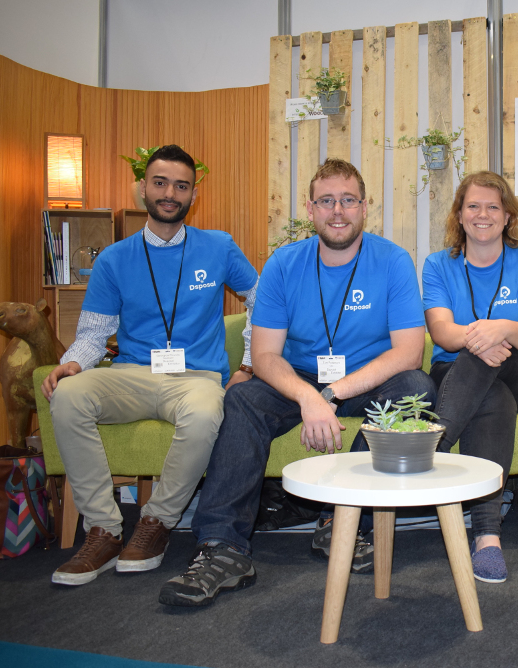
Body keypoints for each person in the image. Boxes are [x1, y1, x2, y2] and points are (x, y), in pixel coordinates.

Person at [159, 158, 435, 607]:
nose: (338, 210)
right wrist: (309, 396)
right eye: (326, 201)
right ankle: (223, 549)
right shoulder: (284, 264)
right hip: (301, 375)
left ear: (365, 208)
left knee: (417, 387)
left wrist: (332, 395)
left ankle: (341, 523)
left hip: (370, 378)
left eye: (348, 200)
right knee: (244, 398)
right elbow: (265, 356)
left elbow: (408, 353)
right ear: (310, 209)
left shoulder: (393, 261)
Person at [41, 145, 259, 586]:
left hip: (195, 378)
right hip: (131, 375)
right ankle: (102, 529)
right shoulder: (114, 259)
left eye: (181, 186)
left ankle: (156, 523)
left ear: (193, 195)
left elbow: (263, 303)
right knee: (67, 396)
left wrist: (250, 364)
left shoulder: (218, 246)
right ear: (143, 187)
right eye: (160, 182)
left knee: (204, 414)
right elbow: (92, 333)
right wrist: (71, 364)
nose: (170, 193)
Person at [422, 171, 518, 583]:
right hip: (457, 370)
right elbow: (441, 333)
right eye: (472, 206)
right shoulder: (439, 265)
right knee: (494, 399)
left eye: (493, 206)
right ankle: (488, 539)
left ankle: (427, 448)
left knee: (493, 366)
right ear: (459, 215)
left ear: (508, 216)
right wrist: (481, 338)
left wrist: (500, 329)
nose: (482, 214)